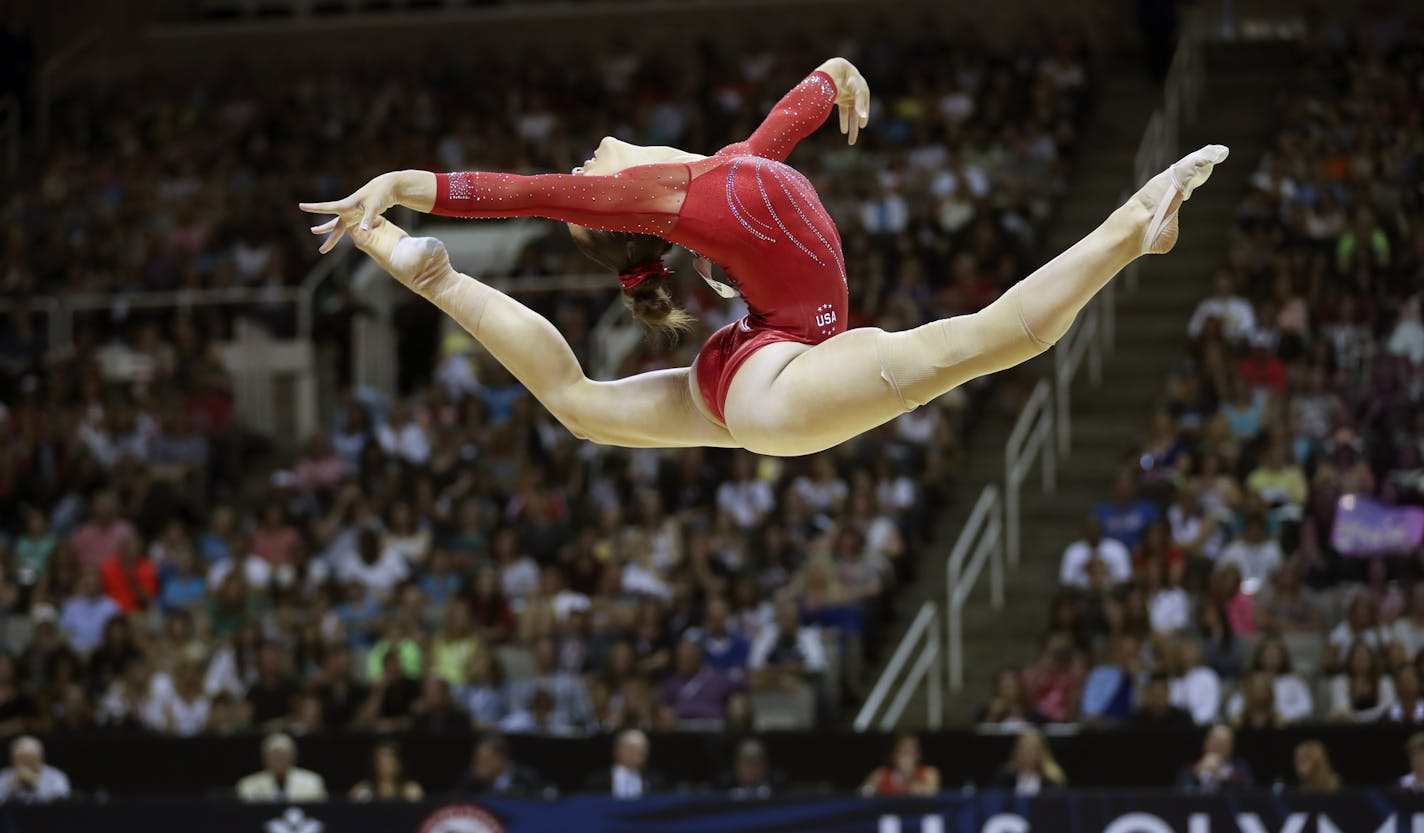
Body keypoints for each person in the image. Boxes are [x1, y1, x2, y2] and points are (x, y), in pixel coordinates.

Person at [304, 60, 1227, 458]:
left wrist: (834, 77)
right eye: (596, 163)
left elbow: (782, 125)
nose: (597, 152)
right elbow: (526, 190)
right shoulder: (666, 197)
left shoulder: (724, 173)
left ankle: (437, 279)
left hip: (757, 358)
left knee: (581, 408)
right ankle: (1133, 226)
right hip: (779, 375)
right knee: (988, 341)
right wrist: (404, 181)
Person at [235, 732, 328, 802]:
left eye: (283, 755)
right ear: (265, 757)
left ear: (293, 756)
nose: (279, 759)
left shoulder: (312, 782)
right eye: (274, 755)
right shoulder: (248, 785)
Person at [587, 728, 664, 799]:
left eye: (644, 749)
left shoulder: (655, 780)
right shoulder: (597, 781)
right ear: (618, 751)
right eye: (633, 749)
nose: (640, 753)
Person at [1176, 724, 1253, 791]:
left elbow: (1247, 791)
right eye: (1216, 742)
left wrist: (1221, 775)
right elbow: (1182, 793)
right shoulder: (1189, 770)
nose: (1219, 747)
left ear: (1232, 747)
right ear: (1206, 744)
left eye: (1224, 743)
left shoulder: (1241, 768)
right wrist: (1197, 774)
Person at [859, 733, 940, 796]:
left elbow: (933, 794)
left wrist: (909, 776)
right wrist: (873, 785)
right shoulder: (881, 774)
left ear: (918, 755)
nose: (906, 757)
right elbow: (863, 793)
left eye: (910, 752)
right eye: (902, 752)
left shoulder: (929, 773)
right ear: (894, 755)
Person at [459, 735, 542, 797]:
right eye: (476, 760)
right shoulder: (472, 778)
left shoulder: (526, 777)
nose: (478, 766)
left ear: (502, 759)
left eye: (484, 760)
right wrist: (477, 783)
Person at [992, 728, 1067, 795]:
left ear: (1042, 752)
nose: (1028, 754)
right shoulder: (1005, 776)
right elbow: (995, 799)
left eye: (1033, 749)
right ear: (1017, 751)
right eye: (1025, 749)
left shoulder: (1052, 779)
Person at [0, 735, 72, 803]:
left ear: (40, 758)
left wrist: (35, 785)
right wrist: (11, 786)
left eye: (30, 758)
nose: (26, 763)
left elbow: (62, 801)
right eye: (21, 758)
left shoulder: (56, 776)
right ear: (12, 759)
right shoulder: (3, 776)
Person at [348, 741, 423, 802]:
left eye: (390, 758)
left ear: (399, 763)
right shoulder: (362, 789)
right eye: (381, 758)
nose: (386, 763)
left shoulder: (411, 789)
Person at [1130, 672, 1194, 728]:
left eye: (1163, 692)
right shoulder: (1137, 721)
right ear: (1148, 693)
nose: (1159, 697)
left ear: (1168, 692)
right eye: (1156, 693)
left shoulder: (1183, 720)